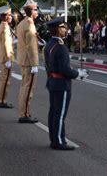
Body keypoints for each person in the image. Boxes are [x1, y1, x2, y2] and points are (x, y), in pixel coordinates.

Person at [44, 17, 87, 151]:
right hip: (61, 84)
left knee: (54, 112)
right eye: (63, 27)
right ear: (57, 30)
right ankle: (58, 141)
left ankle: (54, 139)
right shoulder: (61, 47)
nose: (65, 30)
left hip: (52, 82)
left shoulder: (49, 44)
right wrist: (78, 74)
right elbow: (64, 69)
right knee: (60, 114)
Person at [16, 1, 40, 123]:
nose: (37, 12)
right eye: (36, 9)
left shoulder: (21, 24)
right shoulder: (30, 25)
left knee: (24, 86)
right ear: (31, 11)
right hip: (29, 61)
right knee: (28, 88)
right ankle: (24, 114)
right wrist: (35, 63)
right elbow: (31, 46)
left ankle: (23, 112)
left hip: (24, 59)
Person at [0, 8, 15, 108]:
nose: (11, 17)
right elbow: (6, 43)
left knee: (3, 79)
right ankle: (2, 100)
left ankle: (1, 99)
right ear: (5, 16)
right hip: (6, 56)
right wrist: (8, 58)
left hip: (3, 55)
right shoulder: (5, 27)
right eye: (9, 15)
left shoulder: (2, 26)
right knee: (5, 79)